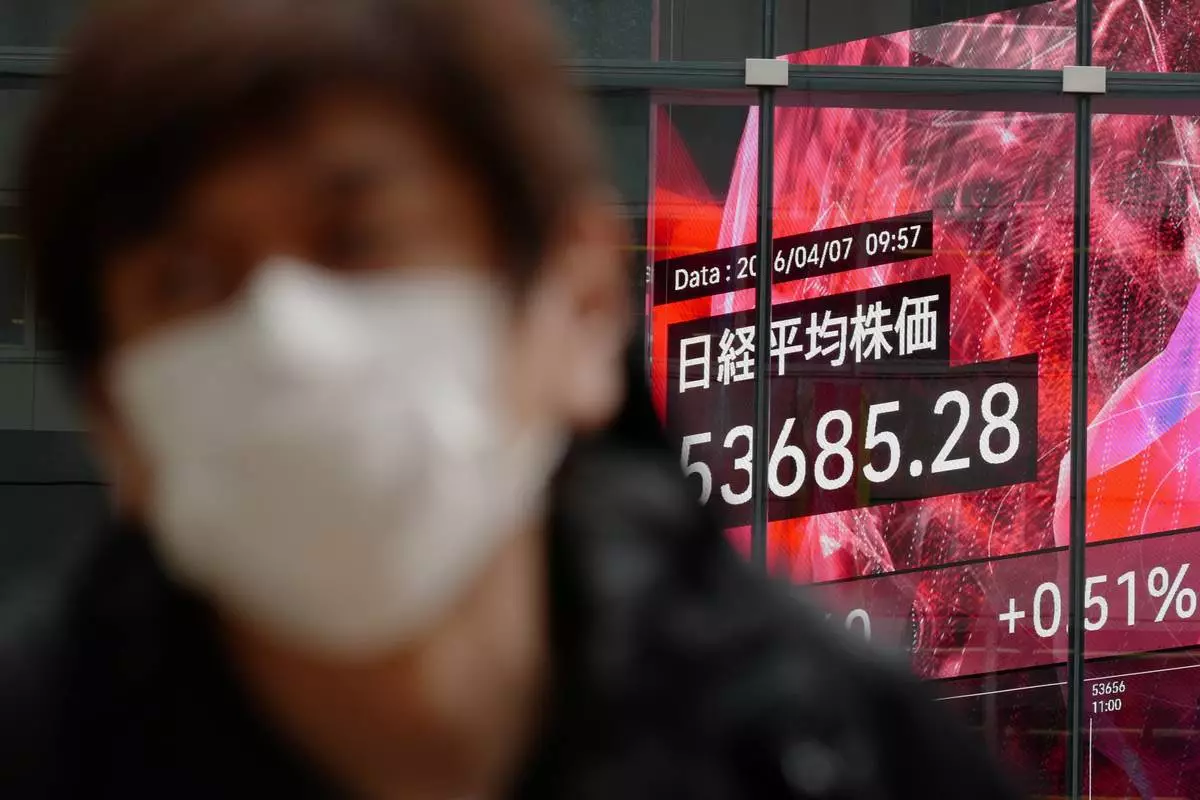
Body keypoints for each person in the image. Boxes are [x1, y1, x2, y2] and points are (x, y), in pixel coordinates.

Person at [2, 0, 1022, 797]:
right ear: (111, 417)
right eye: (185, 280)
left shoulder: (841, 756)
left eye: (360, 239)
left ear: (579, 303)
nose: (285, 334)